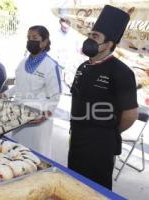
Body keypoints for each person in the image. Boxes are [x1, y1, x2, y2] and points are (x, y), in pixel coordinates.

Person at [68, 5, 138, 190]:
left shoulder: (122, 73)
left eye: (95, 37)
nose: (89, 40)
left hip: (101, 145)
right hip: (76, 140)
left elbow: (130, 115)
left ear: (108, 44)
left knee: (96, 190)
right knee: (73, 185)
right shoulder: (83, 67)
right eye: (90, 35)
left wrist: (108, 132)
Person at [0, 25, 62, 158]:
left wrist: (46, 113)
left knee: (36, 156)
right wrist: (5, 95)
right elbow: (19, 85)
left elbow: (55, 95)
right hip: (19, 115)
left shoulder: (51, 65)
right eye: (28, 38)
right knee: (18, 153)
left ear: (44, 42)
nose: (31, 41)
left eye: (35, 38)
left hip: (38, 120)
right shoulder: (22, 63)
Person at [49, 17, 85, 93]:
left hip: (69, 65)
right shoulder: (55, 33)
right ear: (60, 24)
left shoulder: (74, 34)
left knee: (67, 85)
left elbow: (79, 50)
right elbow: (51, 48)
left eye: (66, 27)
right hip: (57, 62)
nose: (65, 28)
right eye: (63, 27)